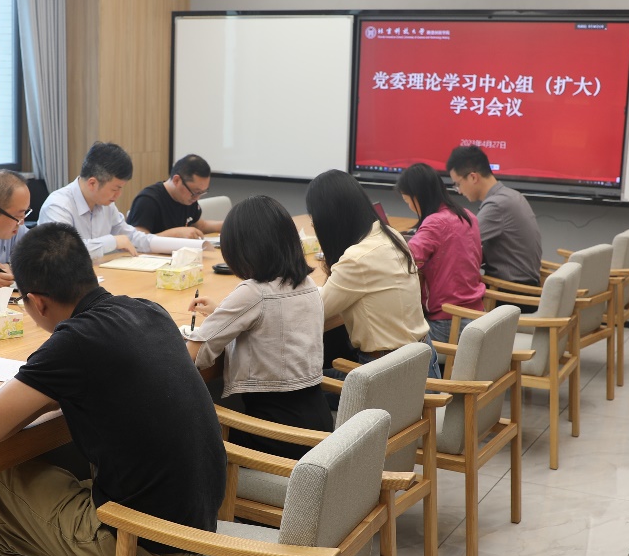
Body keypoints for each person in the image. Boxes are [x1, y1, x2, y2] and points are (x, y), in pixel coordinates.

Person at [0, 223, 225, 556]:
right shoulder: (149, 311)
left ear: (36, 303)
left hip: (144, 543)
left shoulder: (74, 342)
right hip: (199, 521)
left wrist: (37, 395)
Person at [185, 195, 330, 459]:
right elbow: (273, 323)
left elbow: (194, 354)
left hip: (276, 436)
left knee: (188, 440)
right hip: (317, 427)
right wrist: (223, 314)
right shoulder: (308, 285)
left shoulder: (254, 292)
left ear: (241, 250)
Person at [305, 169, 441, 392]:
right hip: (423, 366)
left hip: (390, 380)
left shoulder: (357, 259)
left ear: (328, 219)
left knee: (300, 387)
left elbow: (315, 310)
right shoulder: (390, 235)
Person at [39, 141, 201, 260]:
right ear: (93, 183)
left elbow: (133, 238)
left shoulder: (106, 205)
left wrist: (187, 246)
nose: (118, 195)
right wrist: (112, 241)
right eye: (115, 189)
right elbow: (64, 251)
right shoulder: (58, 206)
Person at [395, 162, 486, 342]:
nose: (409, 207)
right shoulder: (467, 215)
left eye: (407, 201)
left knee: (388, 338)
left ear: (418, 197)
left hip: (448, 324)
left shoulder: (435, 223)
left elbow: (405, 259)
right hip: (476, 316)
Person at [445, 145, 543, 286]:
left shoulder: (497, 205)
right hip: (521, 286)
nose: (459, 191)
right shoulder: (511, 195)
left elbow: (461, 243)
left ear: (473, 177)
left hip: (511, 293)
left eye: (457, 184)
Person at [126, 153, 225, 237]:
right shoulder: (147, 200)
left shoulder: (189, 199)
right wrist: (176, 233)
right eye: (195, 192)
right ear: (176, 180)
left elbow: (200, 226)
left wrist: (228, 225)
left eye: (202, 192)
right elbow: (137, 240)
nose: (197, 197)